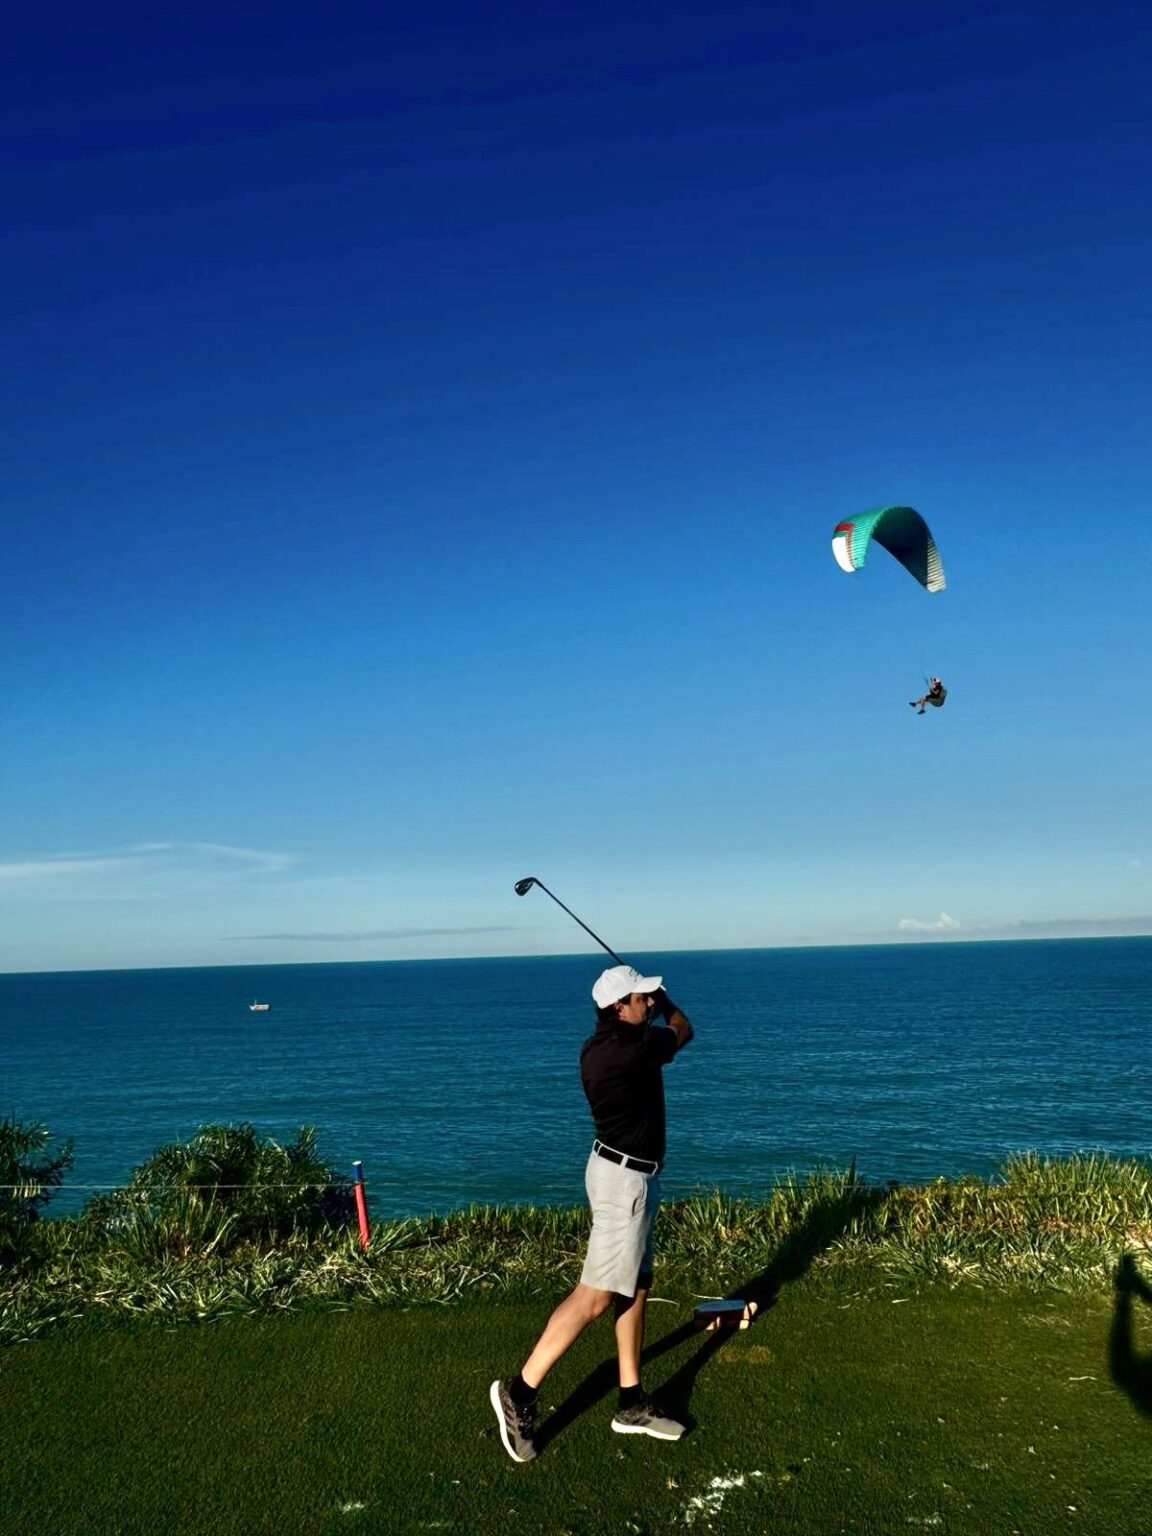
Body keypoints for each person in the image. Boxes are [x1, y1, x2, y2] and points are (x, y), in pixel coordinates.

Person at [489, 963, 695, 1463]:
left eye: (649, 998)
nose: (648, 1003)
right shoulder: (636, 1050)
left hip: (628, 1174)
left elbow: (660, 1031)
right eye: (641, 998)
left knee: (636, 1286)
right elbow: (684, 1029)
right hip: (625, 1184)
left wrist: (653, 1000)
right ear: (618, 1008)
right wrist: (668, 1002)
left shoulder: (598, 1047)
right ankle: (519, 1391)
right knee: (597, 1296)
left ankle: (630, 1402)